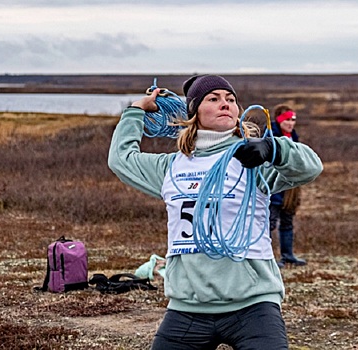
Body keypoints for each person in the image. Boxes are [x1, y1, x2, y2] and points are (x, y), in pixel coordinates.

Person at [108, 74, 323, 350]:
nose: (226, 104)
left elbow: (311, 167)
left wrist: (273, 148)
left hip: (253, 306)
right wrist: (136, 110)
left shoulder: (252, 159)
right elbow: (121, 159)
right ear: (194, 111)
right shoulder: (171, 167)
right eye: (213, 99)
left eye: (231, 99)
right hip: (188, 309)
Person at [269, 104, 306, 268]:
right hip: (274, 186)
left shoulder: (293, 137)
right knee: (269, 223)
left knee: (287, 220)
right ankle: (267, 258)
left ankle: (287, 255)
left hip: (290, 187)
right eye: (287, 120)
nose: (291, 123)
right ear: (279, 120)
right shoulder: (270, 136)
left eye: (293, 120)